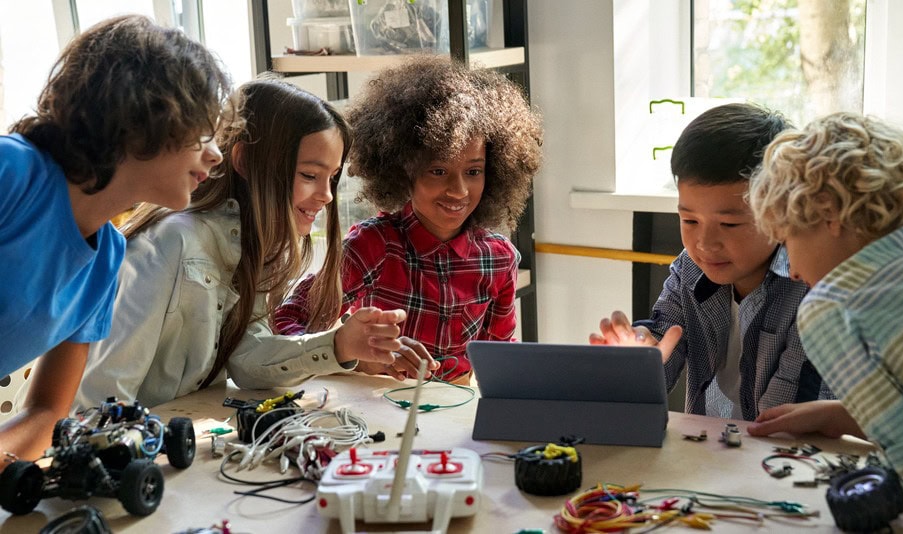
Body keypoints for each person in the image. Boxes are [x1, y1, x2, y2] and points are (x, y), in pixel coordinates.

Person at [75, 78, 435, 410]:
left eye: (332, 178)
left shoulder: (253, 246)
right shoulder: (172, 243)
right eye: (309, 175)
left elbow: (247, 360)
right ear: (245, 161)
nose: (325, 195)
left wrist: (338, 344)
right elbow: (100, 398)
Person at [0, 15, 233, 462]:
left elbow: (49, 413)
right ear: (142, 114)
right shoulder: (13, 173)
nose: (215, 153)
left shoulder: (108, 258)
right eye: (203, 132)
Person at [274, 56, 543, 384]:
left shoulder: (499, 260)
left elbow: (501, 363)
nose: (458, 190)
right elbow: (288, 323)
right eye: (438, 171)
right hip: (381, 412)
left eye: (473, 171)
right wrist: (352, 353)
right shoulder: (373, 246)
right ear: (403, 171)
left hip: (452, 416)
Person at [746, 112, 903, 501]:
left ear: (829, 213)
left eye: (788, 241)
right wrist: (845, 413)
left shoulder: (834, 306)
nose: (792, 271)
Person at [590, 103, 834, 421]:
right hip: (717, 456)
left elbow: (782, 429)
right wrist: (638, 360)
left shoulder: (811, 289)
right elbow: (663, 339)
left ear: (781, 212)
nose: (705, 244)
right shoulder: (691, 269)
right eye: (689, 220)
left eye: (729, 225)